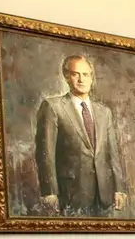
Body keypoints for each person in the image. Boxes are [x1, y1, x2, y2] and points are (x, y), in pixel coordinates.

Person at [35, 55, 127, 217]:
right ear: (66, 76)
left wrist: (119, 188)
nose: (81, 79)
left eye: (85, 74)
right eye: (75, 74)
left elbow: (113, 154)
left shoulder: (104, 112)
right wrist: (49, 191)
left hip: (104, 194)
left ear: (91, 78)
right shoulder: (53, 107)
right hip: (70, 194)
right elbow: (46, 154)